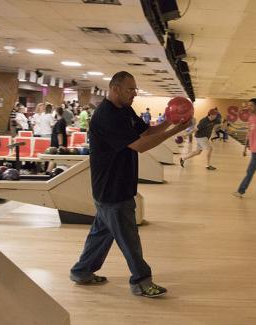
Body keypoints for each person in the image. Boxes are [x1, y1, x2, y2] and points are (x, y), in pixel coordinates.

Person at [69, 71, 190, 298]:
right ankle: (141, 282)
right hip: (111, 188)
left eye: (135, 88)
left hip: (116, 186)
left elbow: (145, 132)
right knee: (129, 238)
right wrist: (176, 130)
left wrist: (169, 121)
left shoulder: (124, 110)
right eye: (130, 89)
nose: (134, 93)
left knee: (101, 234)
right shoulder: (106, 116)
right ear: (115, 88)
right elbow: (140, 145)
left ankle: (81, 271)